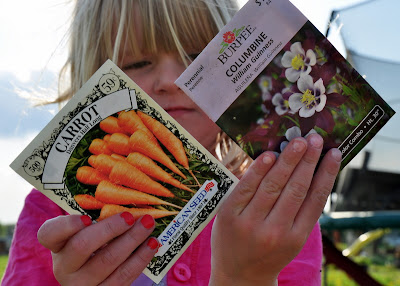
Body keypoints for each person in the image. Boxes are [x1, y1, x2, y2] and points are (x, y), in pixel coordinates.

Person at [2, 0, 342, 285]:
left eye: (197, 57)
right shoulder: (51, 214)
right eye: (137, 63)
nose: (171, 80)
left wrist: (247, 277)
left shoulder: (274, 206)